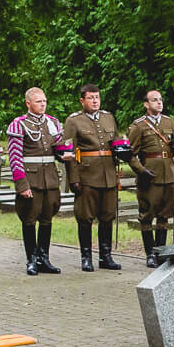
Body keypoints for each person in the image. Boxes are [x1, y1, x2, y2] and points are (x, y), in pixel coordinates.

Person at [62, 83, 122, 271]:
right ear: (82, 100)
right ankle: (86, 257)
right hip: (87, 175)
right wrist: (74, 178)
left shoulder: (108, 117)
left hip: (108, 175)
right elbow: (69, 151)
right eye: (91, 98)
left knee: (108, 216)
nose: (95, 101)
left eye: (97, 97)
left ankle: (106, 256)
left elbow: (117, 142)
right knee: (85, 217)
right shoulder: (74, 121)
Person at [8, 87, 65, 275]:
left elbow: (59, 149)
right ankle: (31, 260)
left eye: (44, 101)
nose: (43, 104)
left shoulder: (53, 122)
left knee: (47, 218)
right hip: (31, 179)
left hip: (50, 178)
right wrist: (22, 184)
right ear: (28, 103)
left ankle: (44, 259)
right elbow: (15, 157)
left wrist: (66, 154)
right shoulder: (19, 124)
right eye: (38, 101)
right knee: (29, 218)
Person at [126, 88, 174, 267]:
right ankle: (150, 253)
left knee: (165, 214)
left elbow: (173, 146)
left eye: (160, 100)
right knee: (147, 214)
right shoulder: (139, 125)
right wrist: (141, 170)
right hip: (150, 175)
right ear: (146, 104)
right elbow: (130, 153)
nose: (159, 103)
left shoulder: (168, 121)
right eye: (155, 100)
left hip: (169, 174)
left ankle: (160, 252)